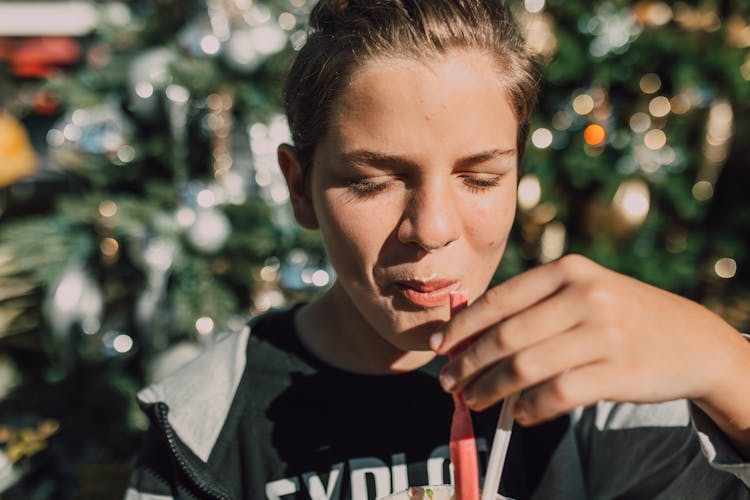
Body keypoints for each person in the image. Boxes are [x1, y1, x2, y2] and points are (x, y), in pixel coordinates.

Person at [126, 1, 750, 498]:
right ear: (301, 189)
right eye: (372, 182)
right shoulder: (204, 427)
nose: (430, 229)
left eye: (480, 178)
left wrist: (727, 366)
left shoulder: (582, 382)